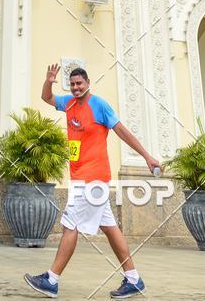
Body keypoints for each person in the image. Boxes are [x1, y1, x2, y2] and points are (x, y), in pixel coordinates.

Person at [25, 64, 161, 298]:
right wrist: (49, 80)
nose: (76, 87)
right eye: (72, 84)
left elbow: (122, 132)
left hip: (93, 178)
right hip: (81, 178)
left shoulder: (99, 106)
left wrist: (147, 157)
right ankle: (134, 279)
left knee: (70, 225)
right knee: (109, 227)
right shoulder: (68, 102)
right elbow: (47, 97)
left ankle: (51, 280)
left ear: (88, 83)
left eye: (80, 83)